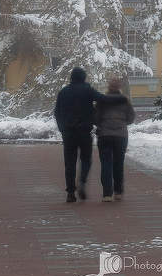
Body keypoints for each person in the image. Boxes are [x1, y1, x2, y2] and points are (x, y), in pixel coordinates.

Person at [54, 67, 107, 203]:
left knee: (69, 163)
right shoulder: (87, 90)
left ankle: (70, 192)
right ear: (83, 77)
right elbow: (102, 99)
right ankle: (82, 181)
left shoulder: (63, 92)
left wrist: (62, 128)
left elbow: (57, 112)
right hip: (84, 131)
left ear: (71, 77)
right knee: (85, 159)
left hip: (68, 133)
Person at [95, 75, 135, 202]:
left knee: (106, 164)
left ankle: (107, 194)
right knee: (118, 163)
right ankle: (118, 192)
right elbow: (131, 117)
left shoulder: (102, 100)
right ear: (119, 87)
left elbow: (95, 117)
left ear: (108, 86)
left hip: (104, 135)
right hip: (121, 136)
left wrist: (101, 124)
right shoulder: (125, 100)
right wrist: (121, 123)